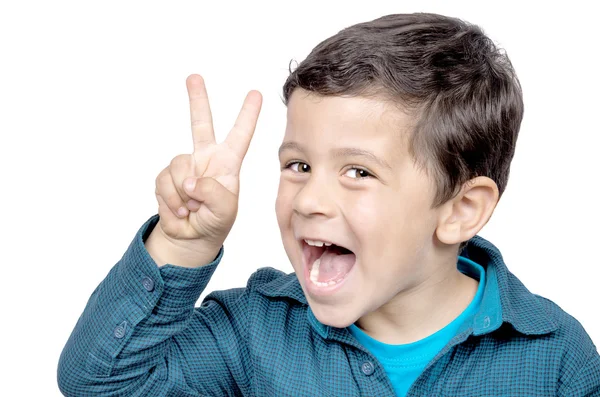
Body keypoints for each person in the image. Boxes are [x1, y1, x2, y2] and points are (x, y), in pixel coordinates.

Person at [57, 12, 600, 397]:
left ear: (460, 209)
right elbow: (101, 382)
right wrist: (183, 243)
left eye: (357, 172)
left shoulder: (555, 360)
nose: (310, 199)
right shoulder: (252, 331)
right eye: (298, 166)